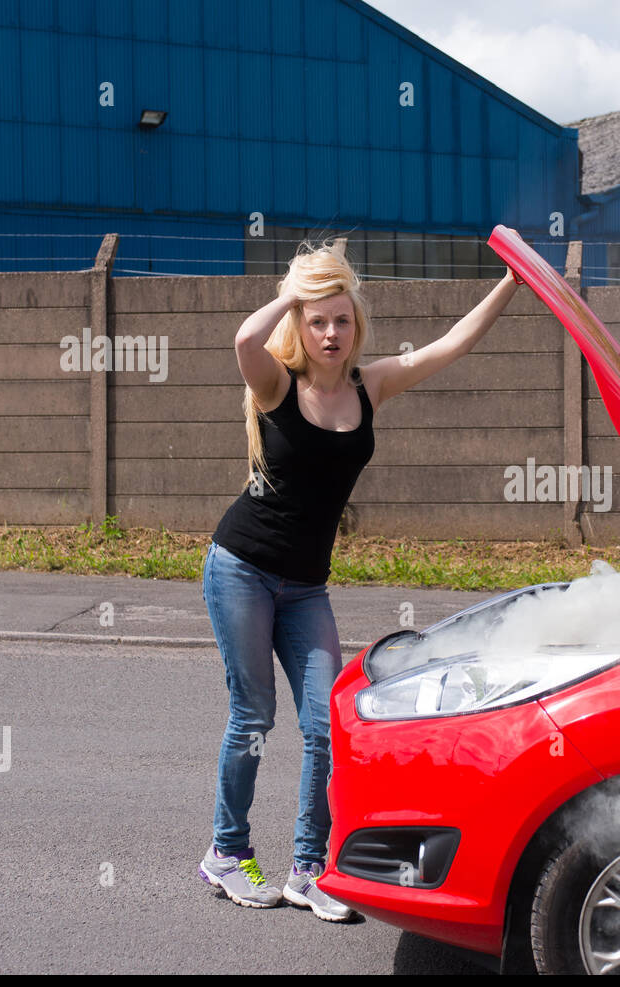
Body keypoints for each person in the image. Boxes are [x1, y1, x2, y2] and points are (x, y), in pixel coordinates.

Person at [199, 238, 521, 919]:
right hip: (242, 571)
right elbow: (243, 338)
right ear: (302, 326)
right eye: (319, 321)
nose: (331, 332)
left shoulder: (369, 386)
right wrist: (303, 288)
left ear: (356, 325)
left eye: (342, 319)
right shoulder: (275, 384)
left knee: (327, 724)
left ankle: (308, 867)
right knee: (254, 714)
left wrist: (511, 283)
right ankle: (226, 851)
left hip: (306, 587)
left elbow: (450, 345)